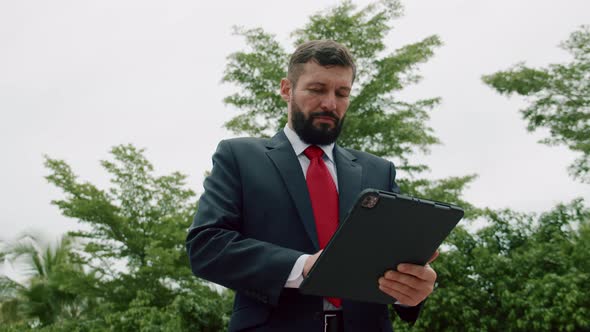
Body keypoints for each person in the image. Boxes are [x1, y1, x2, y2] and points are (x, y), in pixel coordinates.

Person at [186, 40, 438, 332]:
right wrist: (300, 266)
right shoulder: (239, 157)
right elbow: (206, 245)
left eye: (342, 93)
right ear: (286, 89)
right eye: (317, 89)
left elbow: (391, 259)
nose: (330, 103)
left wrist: (411, 292)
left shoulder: (379, 170)